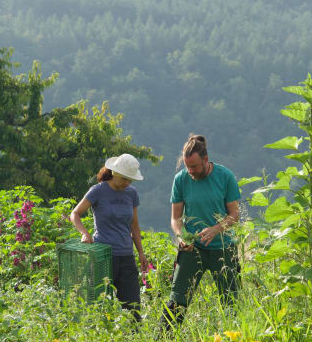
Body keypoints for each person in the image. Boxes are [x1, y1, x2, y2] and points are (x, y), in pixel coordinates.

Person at [161, 134, 241, 330]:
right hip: (192, 249)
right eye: (187, 166)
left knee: (231, 301)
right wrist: (182, 237)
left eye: (194, 167)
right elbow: (176, 218)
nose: (190, 171)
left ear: (206, 160)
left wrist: (216, 229)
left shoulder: (225, 176)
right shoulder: (181, 180)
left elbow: (235, 214)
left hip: (223, 247)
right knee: (177, 300)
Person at [70, 153, 149, 322]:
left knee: (133, 309)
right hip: (103, 256)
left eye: (130, 180)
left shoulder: (132, 193)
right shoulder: (98, 191)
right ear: (114, 174)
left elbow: (134, 225)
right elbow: (75, 214)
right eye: (125, 179)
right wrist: (84, 233)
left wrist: (140, 252)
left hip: (127, 256)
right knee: (99, 306)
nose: (128, 183)